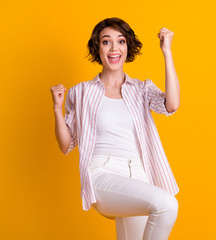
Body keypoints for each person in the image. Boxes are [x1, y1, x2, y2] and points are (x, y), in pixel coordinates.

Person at [50, 17, 180, 240]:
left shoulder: (141, 89)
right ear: (97, 48)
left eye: (120, 41)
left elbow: (172, 104)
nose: (114, 48)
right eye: (106, 42)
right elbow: (66, 145)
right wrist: (56, 107)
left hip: (139, 175)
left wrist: (166, 52)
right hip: (103, 174)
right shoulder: (81, 92)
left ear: (127, 47)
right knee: (166, 205)